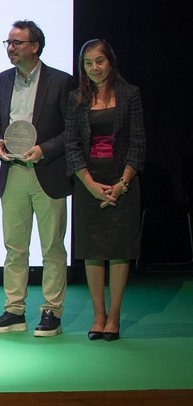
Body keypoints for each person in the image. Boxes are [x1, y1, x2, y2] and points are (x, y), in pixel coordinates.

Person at [0, 20, 75, 337]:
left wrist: (44, 150)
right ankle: (14, 311)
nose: (11, 48)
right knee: (14, 247)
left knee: (52, 247)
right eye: (8, 43)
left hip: (47, 172)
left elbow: (71, 131)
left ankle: (52, 311)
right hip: (13, 172)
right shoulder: (2, 80)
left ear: (35, 46)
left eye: (17, 43)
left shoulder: (61, 82)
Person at [65, 40, 145, 341]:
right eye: (88, 63)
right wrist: (89, 183)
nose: (94, 68)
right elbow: (71, 145)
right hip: (89, 182)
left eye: (99, 61)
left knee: (120, 251)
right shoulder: (76, 98)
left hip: (122, 180)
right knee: (93, 251)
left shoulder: (129, 94)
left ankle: (114, 316)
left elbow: (137, 143)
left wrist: (122, 184)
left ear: (110, 62)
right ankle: (98, 316)